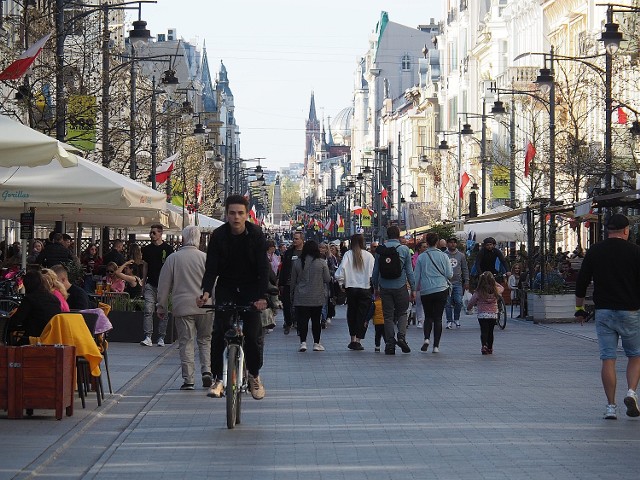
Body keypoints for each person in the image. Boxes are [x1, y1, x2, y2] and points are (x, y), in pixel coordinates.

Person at [197, 195, 269, 400]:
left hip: (251, 287)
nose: (236, 217)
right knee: (219, 332)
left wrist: (262, 296)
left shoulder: (256, 234)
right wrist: (206, 292)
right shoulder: (218, 236)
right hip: (227, 286)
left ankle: (254, 375)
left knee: (254, 336)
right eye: (232, 213)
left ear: (246, 215)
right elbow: (211, 268)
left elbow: (264, 269)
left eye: (240, 213)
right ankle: (218, 379)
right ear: (226, 214)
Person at [575, 214, 640, 420]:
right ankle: (631, 392)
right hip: (630, 311)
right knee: (635, 355)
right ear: (626, 230)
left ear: (607, 230)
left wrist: (579, 309)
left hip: (604, 312)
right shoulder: (636, 252)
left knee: (608, 359)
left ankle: (610, 407)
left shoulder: (595, 251)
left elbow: (582, 282)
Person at [157, 225, 213, 391]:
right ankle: (207, 371)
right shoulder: (205, 258)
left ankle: (188, 379)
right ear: (198, 240)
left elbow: (164, 284)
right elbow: (214, 283)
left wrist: (161, 306)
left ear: (183, 239)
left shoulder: (173, 259)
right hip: (205, 306)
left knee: (186, 342)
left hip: (183, 307)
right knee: (205, 340)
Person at [372, 225, 416, 355]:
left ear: (387, 235)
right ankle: (401, 337)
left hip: (385, 287)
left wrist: (375, 287)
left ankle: (390, 343)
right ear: (398, 235)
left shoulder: (380, 250)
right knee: (402, 312)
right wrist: (413, 289)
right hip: (401, 286)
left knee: (388, 316)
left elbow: (375, 272)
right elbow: (409, 271)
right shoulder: (404, 249)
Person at [334, 232, 375, 351]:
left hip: (351, 288)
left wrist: (341, 283)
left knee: (352, 313)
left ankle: (352, 338)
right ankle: (358, 339)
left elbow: (341, 270)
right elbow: (373, 273)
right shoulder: (369, 256)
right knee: (362, 315)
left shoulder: (348, 254)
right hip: (365, 288)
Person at [414, 231, 453, 353]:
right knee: (438, 318)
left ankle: (426, 339)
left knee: (428, 316)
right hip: (441, 289)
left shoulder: (421, 257)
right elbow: (449, 274)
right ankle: (436, 346)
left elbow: (416, 277)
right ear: (437, 242)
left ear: (427, 242)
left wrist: (414, 290)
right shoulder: (444, 256)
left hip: (426, 290)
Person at [291, 240, 331, 352]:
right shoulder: (322, 262)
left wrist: (291, 295)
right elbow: (327, 279)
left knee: (302, 320)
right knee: (316, 321)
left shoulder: (297, 262)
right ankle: (316, 343)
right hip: (316, 296)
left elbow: (293, 281)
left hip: (301, 297)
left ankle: (303, 342)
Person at [139, 225, 174, 347]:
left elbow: (171, 267)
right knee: (148, 310)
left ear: (160, 234)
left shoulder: (168, 249)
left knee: (163, 311)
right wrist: (143, 283)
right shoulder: (147, 249)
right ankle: (148, 336)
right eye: (150, 233)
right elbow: (145, 266)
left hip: (164, 285)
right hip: (151, 283)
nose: (151, 235)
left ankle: (161, 337)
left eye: (153, 233)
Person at [7, 270, 62, 345]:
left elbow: (17, 320)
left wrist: (6, 324)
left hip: (34, 339)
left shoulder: (29, 299)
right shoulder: (54, 299)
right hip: (52, 339)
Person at [467, 271, 504, 354]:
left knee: (484, 331)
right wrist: (494, 282)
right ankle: (490, 347)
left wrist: (469, 308)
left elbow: (471, 302)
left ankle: (484, 346)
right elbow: (502, 287)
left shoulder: (479, 292)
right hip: (493, 314)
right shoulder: (496, 290)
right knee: (491, 332)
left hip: (482, 314)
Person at [278, 231, 304, 335]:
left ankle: (298, 322)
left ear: (302, 240)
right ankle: (288, 322)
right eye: (294, 238)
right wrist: (281, 283)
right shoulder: (289, 253)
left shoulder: (305, 253)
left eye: (297, 239)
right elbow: (283, 268)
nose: (294, 240)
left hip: (301, 283)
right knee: (287, 304)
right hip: (288, 283)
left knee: (300, 304)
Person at [444, 237, 469, 329]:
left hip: (458, 282)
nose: (453, 244)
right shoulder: (444, 255)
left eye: (454, 242)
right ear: (447, 244)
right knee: (447, 303)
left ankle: (457, 318)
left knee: (458, 301)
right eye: (450, 242)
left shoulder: (461, 255)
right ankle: (449, 320)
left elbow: (465, 269)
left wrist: (466, 281)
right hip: (446, 282)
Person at [411, 241, 428, 328]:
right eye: (424, 247)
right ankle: (420, 320)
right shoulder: (414, 258)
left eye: (426, 247)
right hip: (418, 284)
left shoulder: (428, 257)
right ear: (419, 248)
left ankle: (427, 319)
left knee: (427, 303)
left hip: (427, 283)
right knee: (419, 303)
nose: (425, 248)